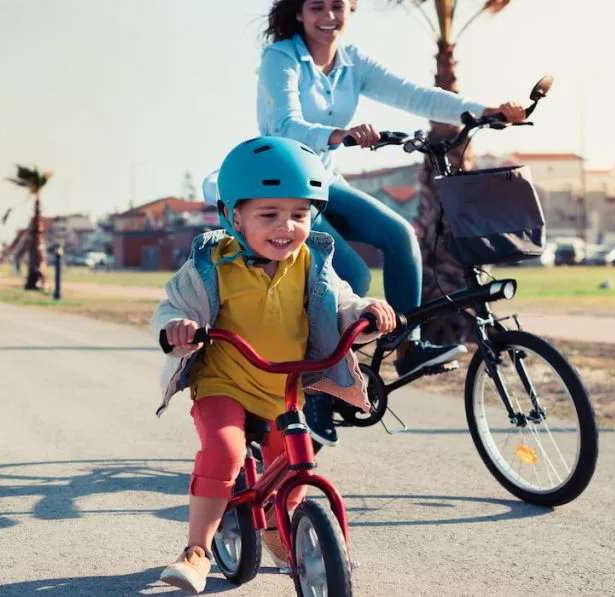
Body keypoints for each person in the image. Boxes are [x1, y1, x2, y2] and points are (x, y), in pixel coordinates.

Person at [256, 0, 528, 445]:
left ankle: (409, 346)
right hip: (286, 187)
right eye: (316, 7)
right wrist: (339, 135)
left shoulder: (353, 63)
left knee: (401, 235)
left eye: (337, 6)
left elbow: (415, 95)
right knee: (353, 273)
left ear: (351, 9)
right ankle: (321, 386)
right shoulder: (281, 58)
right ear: (301, 14)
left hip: (326, 179)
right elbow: (286, 123)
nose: (328, 16)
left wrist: (485, 110)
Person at [153, 136, 397, 594]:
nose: (286, 226)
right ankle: (198, 551)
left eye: (300, 215)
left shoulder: (310, 262)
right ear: (233, 216)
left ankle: (279, 528)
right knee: (224, 452)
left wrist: (366, 314)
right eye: (269, 214)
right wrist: (177, 328)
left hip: (282, 389)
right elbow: (171, 308)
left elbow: (340, 303)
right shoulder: (213, 264)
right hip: (222, 382)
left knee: (290, 461)